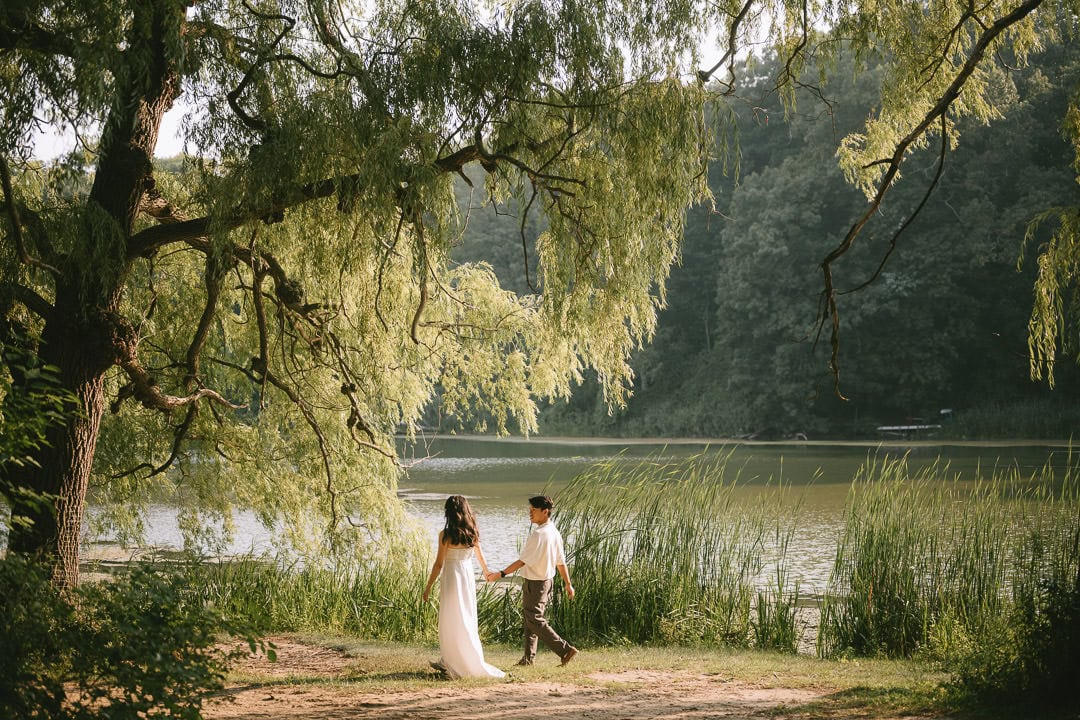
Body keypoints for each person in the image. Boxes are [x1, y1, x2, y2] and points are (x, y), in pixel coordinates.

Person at [485, 495, 578, 667]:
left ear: (545, 512)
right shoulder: (554, 532)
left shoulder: (539, 534)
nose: (530, 514)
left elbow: (522, 561)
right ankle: (528, 659)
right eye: (530, 510)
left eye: (533, 510)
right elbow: (561, 562)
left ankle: (565, 650)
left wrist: (501, 573)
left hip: (536, 583)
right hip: (546, 582)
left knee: (534, 619)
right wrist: (568, 583)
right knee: (530, 621)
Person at [422, 495, 505, 679]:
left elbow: (438, 564)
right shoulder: (472, 532)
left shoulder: (445, 535)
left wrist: (428, 587)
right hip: (466, 577)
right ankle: (450, 660)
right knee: (465, 617)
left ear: (448, 513)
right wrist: (486, 573)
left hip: (452, 577)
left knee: (451, 618)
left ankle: (451, 662)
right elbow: (481, 556)